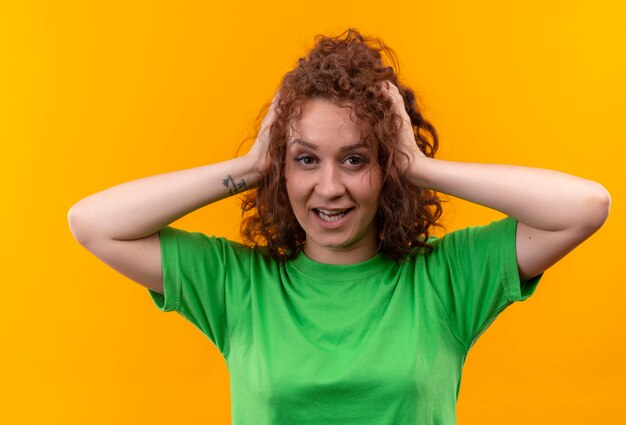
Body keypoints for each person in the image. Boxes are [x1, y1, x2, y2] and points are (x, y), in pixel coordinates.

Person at [68, 28, 611, 425]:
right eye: (306, 159)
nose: (329, 187)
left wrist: (420, 167)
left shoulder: (445, 280)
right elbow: (92, 223)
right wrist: (253, 164)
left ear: (386, 169)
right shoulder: (238, 287)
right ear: (282, 167)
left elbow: (585, 206)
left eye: (355, 159)